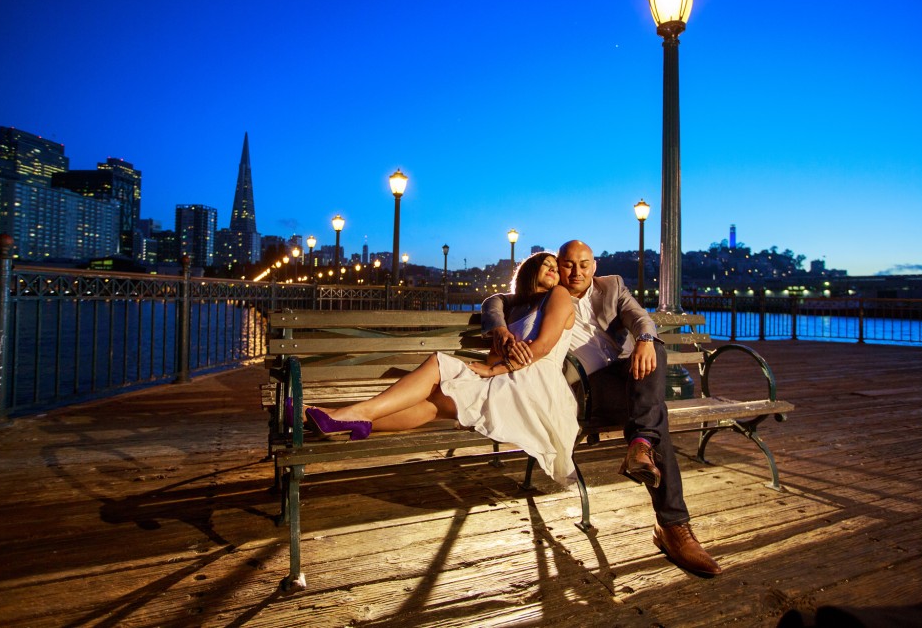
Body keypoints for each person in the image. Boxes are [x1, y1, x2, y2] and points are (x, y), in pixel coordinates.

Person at [482, 239, 722, 577]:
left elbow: (641, 318)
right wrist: (500, 330)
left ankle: (643, 448)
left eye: (584, 264)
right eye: (568, 264)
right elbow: (494, 302)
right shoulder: (545, 294)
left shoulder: (612, 287)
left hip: (625, 380)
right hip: (581, 393)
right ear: (558, 266)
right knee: (655, 417)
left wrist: (644, 340)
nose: (576, 271)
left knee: (657, 352)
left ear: (594, 266)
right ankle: (672, 525)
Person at [304, 252, 579, 484]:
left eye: (557, 268)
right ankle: (336, 420)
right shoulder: (514, 309)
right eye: (548, 266)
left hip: (536, 387)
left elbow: (542, 347)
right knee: (435, 403)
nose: (555, 272)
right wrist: (493, 358)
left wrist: (494, 370)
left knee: (439, 365)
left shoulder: (559, 295)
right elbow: (495, 351)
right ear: (531, 271)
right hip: (510, 378)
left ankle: (345, 416)